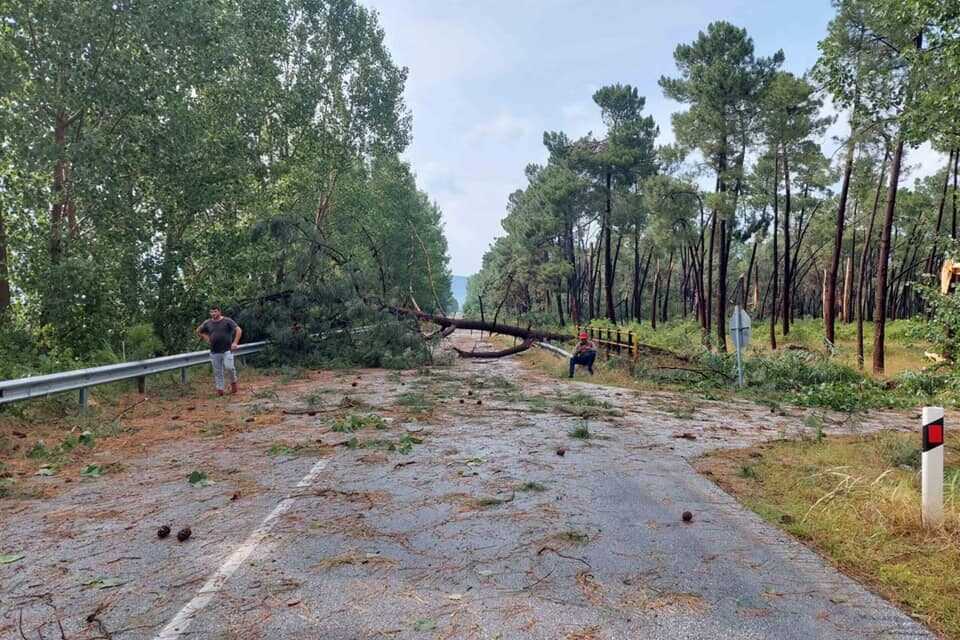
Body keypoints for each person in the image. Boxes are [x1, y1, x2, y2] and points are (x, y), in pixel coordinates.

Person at [196, 305, 242, 396]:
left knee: (229, 368)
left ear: (219, 312)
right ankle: (220, 390)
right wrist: (206, 338)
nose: (213, 314)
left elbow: (239, 330)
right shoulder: (207, 323)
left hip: (227, 350)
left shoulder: (227, 321)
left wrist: (235, 342)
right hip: (214, 351)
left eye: (215, 311)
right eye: (211, 312)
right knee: (218, 372)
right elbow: (198, 331)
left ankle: (233, 383)